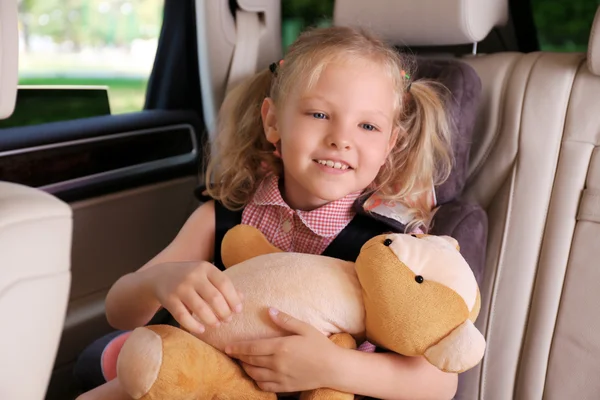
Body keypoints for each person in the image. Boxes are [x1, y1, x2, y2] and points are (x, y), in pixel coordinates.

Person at [74, 25, 457, 400]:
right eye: (319, 115)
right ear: (273, 121)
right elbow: (119, 310)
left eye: (368, 125)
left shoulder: (392, 246)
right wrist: (158, 282)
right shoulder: (224, 216)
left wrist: (333, 366)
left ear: (390, 143)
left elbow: (440, 384)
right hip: (210, 380)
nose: (341, 138)